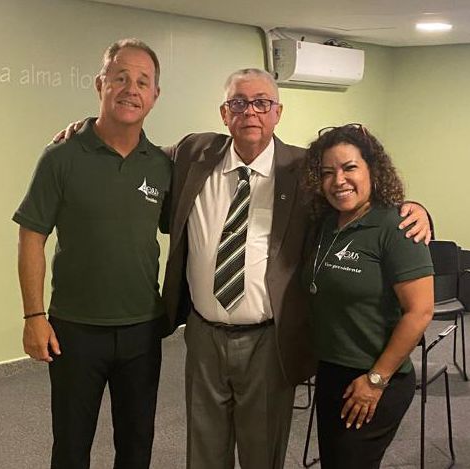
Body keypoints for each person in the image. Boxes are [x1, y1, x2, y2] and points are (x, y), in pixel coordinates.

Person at [52, 68, 432, 469]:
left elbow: (358, 200)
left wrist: (414, 210)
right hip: (202, 335)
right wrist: (92, 131)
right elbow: (133, 155)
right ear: (224, 112)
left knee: (261, 454)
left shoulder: (303, 170)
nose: (250, 112)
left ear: (278, 112)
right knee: (204, 453)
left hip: (269, 340)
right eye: (238, 103)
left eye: (262, 103)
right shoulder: (193, 153)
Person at [12, 38, 170, 469]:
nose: (131, 89)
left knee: (137, 445)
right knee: (71, 446)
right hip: (74, 330)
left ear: (155, 95)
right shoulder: (60, 158)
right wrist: (33, 316)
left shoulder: (161, 165)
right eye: (120, 78)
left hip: (142, 329)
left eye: (142, 82)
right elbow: (31, 236)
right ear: (101, 84)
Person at [301, 124, 434, 469]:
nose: (338, 180)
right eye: (327, 172)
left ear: (373, 170)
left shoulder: (397, 227)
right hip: (332, 370)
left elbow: (420, 312)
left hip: (376, 377)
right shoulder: (325, 223)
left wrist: (376, 381)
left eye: (350, 168)